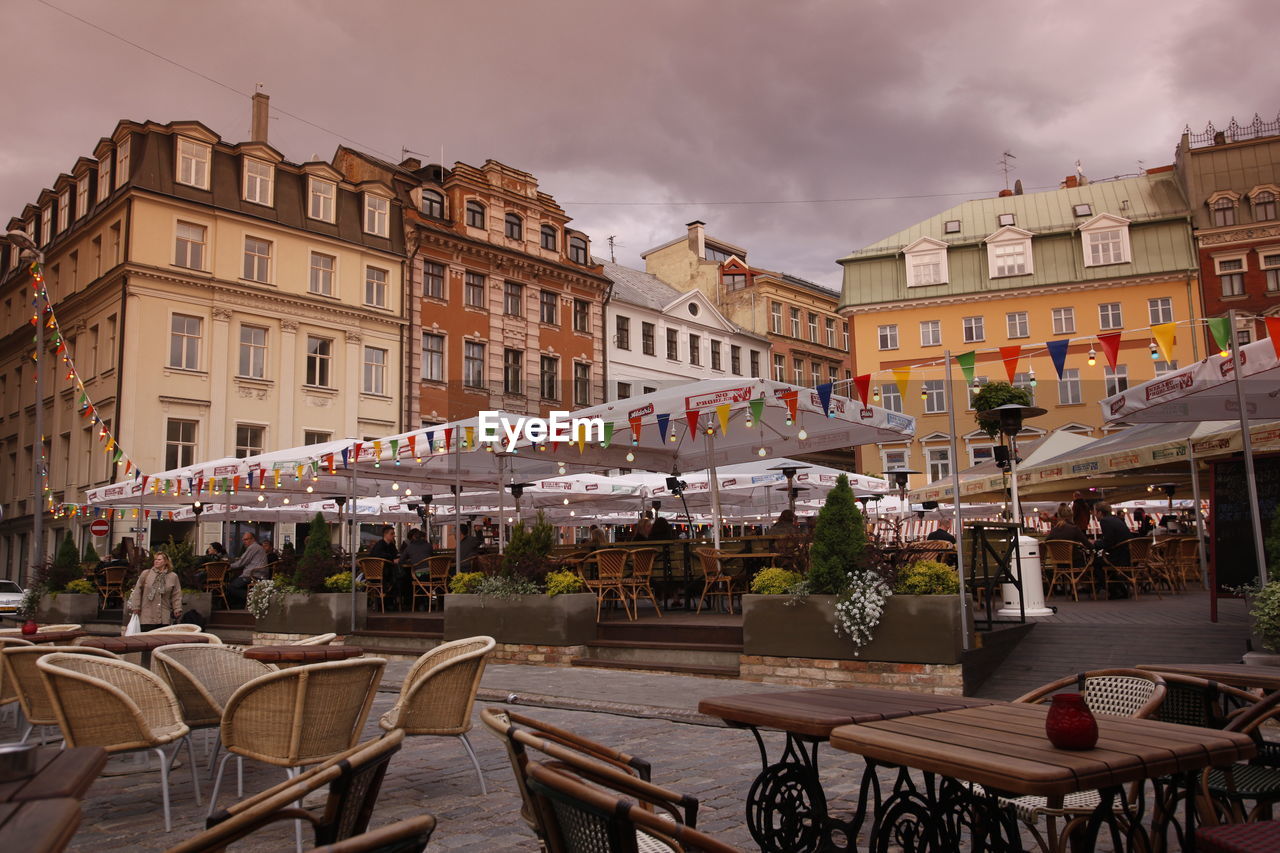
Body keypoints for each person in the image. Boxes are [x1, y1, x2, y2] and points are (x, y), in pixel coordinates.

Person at [128, 551, 183, 631]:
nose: (156, 561)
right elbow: (137, 590)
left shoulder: (173, 576)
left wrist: (177, 608)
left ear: (166, 562)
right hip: (147, 615)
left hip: (164, 616)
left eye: (159, 559)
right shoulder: (146, 574)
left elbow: (176, 594)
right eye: (155, 559)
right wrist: (136, 606)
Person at [1094, 502, 1133, 598]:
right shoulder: (1117, 519)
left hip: (1118, 557)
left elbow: (1108, 542)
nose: (1094, 515)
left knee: (1096, 563)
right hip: (1127, 555)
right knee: (1102, 563)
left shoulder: (1105, 521)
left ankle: (1114, 590)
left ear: (1099, 512)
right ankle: (1121, 590)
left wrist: (1094, 544)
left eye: (1095, 512)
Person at [227, 532, 269, 608]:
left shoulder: (253, 547)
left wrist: (228, 566)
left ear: (253, 539)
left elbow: (242, 562)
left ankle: (252, 598)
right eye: (243, 540)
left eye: (246, 539)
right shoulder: (257, 547)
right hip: (257, 574)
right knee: (234, 582)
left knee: (231, 586)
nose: (244, 542)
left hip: (254, 575)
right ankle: (241, 605)